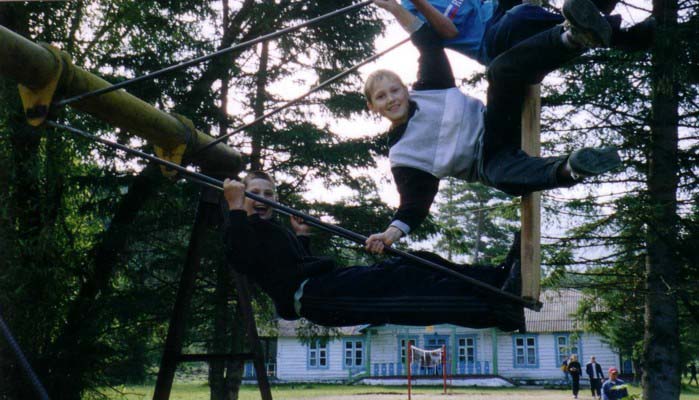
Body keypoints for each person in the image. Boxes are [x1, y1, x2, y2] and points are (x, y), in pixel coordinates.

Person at [365, 0, 642, 252]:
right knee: (504, 176)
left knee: (500, 70)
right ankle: (573, 168)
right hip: (487, 159)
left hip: (495, 121)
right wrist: (389, 235)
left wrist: (393, 7)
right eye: (381, 97)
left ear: (406, 89)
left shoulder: (431, 86)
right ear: (373, 107)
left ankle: (572, 38)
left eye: (394, 90)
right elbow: (413, 205)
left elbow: (427, 42)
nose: (391, 99)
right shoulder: (403, 155)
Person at [222, 171, 525, 330]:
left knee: (413, 263)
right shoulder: (242, 229)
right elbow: (243, 258)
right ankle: (496, 311)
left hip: (326, 286)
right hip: (318, 299)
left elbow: (285, 267)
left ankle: (495, 278)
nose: (262, 198)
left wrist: (301, 238)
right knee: (407, 298)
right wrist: (234, 207)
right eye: (253, 193)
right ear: (241, 198)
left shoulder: (271, 230)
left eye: (268, 193)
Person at [401, 0, 655, 66]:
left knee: (516, 13)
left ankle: (598, 11)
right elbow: (449, 31)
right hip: (489, 41)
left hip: (496, 9)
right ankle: (620, 37)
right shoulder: (410, 9)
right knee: (520, 16)